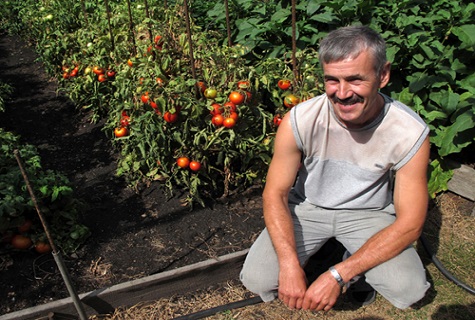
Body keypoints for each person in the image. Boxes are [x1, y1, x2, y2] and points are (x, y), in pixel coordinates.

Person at [240, 25, 431, 311]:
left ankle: (348, 264)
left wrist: (339, 275)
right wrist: (289, 264)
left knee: (409, 288)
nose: (342, 94)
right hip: (308, 208)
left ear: (383, 75)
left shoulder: (408, 131)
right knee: (258, 279)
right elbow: (275, 193)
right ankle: (327, 251)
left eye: (355, 80)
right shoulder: (301, 119)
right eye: (332, 80)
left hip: (368, 215)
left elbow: (410, 224)